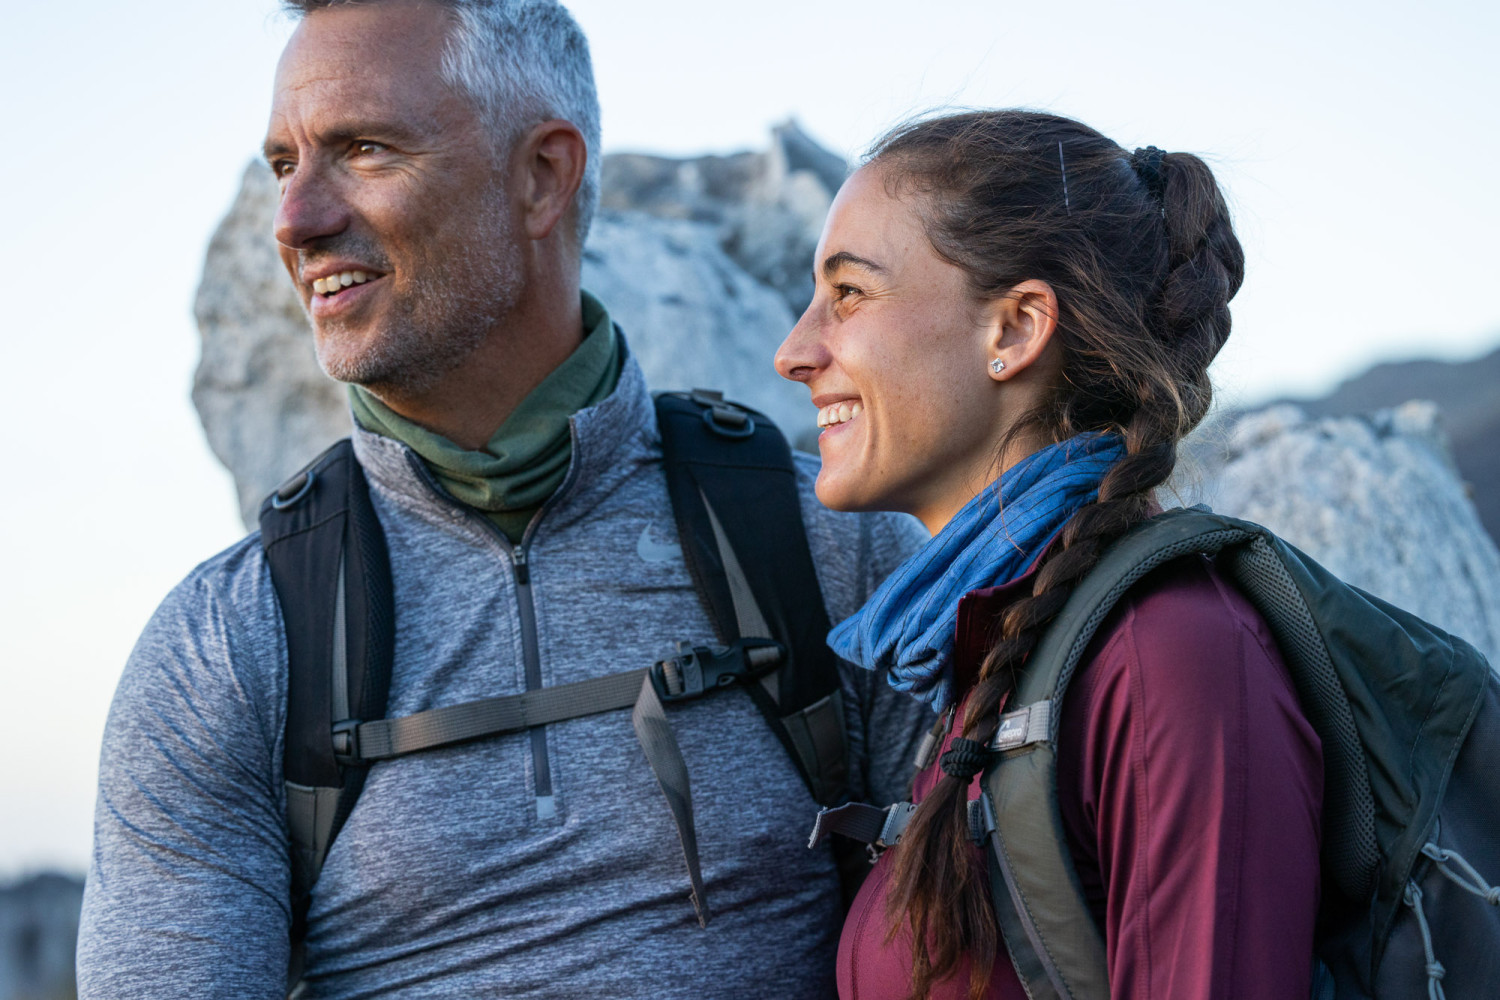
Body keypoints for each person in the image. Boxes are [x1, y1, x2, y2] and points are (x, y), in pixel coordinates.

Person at [76, 1, 930, 996]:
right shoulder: (226, 646)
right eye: (283, 163)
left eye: (363, 150)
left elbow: (991, 945)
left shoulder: (829, 553)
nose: (296, 220)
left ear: (542, 176)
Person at [774, 111, 1323, 998]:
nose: (794, 351)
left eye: (849, 293)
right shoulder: (997, 647)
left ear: (1016, 330)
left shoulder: (1167, 659)